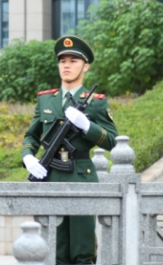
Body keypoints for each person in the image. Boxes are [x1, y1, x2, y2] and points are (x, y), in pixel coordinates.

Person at [20, 35, 118, 265]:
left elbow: (113, 141)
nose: (66, 65)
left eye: (73, 61)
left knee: (82, 250)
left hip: (81, 177)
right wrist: (27, 157)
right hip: (50, 176)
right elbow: (31, 136)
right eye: (62, 60)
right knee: (54, 249)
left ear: (86, 66)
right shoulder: (46, 100)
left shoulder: (96, 102)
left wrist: (87, 126)